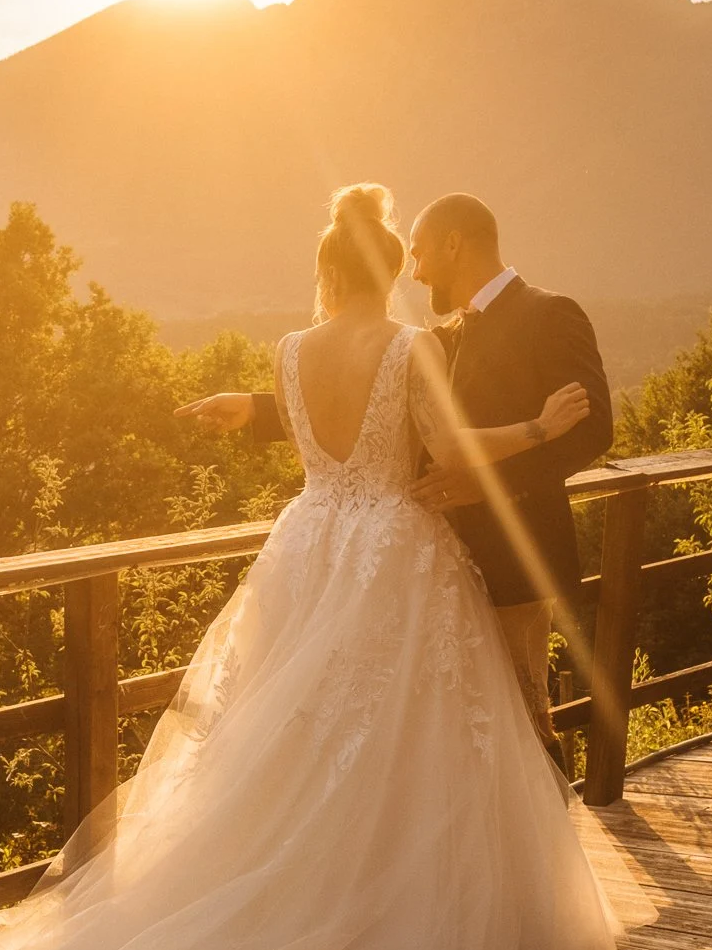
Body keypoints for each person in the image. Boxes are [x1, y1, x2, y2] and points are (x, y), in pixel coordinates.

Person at [0, 185, 621, 950]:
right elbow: (450, 447)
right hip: (393, 550)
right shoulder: (410, 345)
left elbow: (319, 420)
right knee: (403, 738)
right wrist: (536, 429)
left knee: (285, 738)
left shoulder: (287, 353)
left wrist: (253, 409)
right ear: (394, 270)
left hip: (310, 547)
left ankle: (273, 911)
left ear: (323, 270)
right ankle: (397, 933)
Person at [180, 192, 613, 767]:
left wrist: (487, 487)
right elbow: (385, 407)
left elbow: (592, 431)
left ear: (455, 244)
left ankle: (546, 841)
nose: (414, 269)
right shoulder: (436, 337)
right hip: (414, 553)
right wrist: (261, 408)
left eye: (421, 252)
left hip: (510, 552)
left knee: (523, 715)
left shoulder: (549, 313)